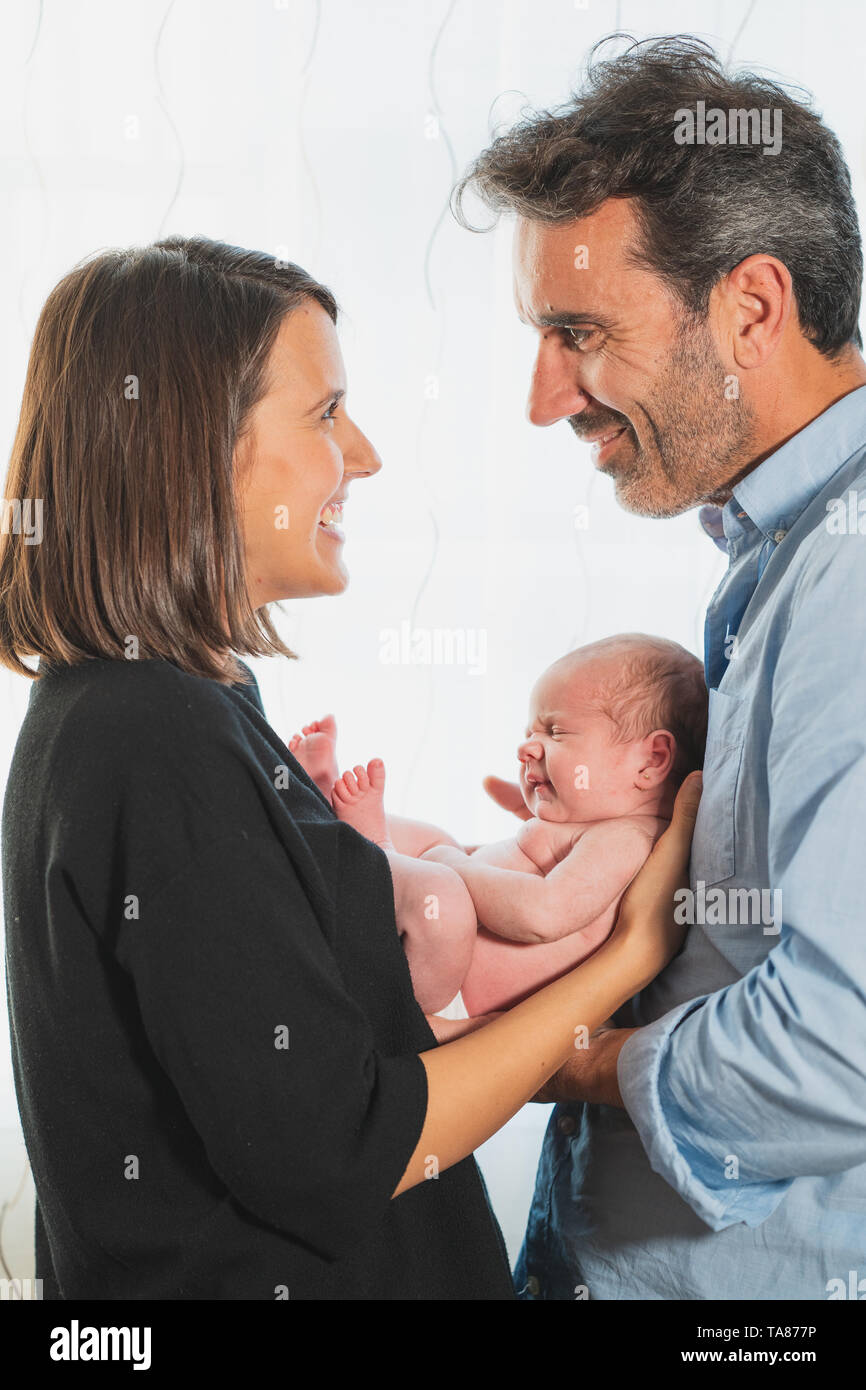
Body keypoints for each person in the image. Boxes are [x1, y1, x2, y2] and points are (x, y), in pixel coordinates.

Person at [0, 235, 700, 1300]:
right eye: (325, 413)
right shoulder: (149, 733)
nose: (364, 454)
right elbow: (340, 1152)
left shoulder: (165, 711)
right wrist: (625, 955)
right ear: (198, 443)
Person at [452, 33, 866, 1300]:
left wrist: (573, 1054)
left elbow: (840, 1047)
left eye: (577, 331)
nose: (543, 399)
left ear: (750, 306)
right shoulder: (789, 549)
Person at [288, 634, 707, 1016]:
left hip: (447, 991)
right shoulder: (592, 824)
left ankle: (372, 847)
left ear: (652, 761)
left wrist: (459, 866)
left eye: (555, 731)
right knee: (435, 840)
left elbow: (542, 913)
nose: (526, 747)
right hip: (433, 945)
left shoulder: (629, 840)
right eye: (529, 731)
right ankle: (327, 813)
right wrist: (464, 851)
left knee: (442, 889)